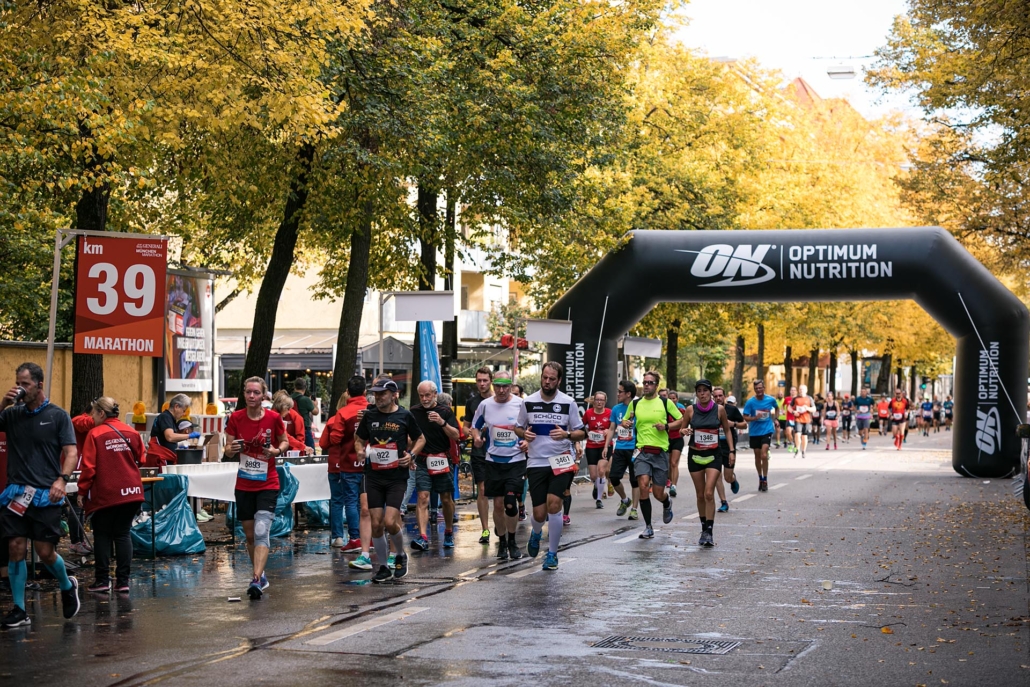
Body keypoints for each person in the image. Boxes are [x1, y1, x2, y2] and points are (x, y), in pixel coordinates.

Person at [0, 362, 81, 628]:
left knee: (45, 552)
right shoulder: (12, 414)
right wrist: (3, 403)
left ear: (39, 385)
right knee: (15, 548)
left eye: (25, 384)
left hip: (47, 494)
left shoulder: (57, 415)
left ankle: (67, 585)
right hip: (16, 493)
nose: (20, 388)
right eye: (18, 383)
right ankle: (20, 609)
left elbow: (71, 452)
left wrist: (62, 480)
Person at [222, 376, 290, 599]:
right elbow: (227, 449)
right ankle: (261, 576)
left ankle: (255, 578)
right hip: (244, 484)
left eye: (256, 392)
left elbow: (285, 441)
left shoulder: (273, 418)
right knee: (250, 535)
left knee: (261, 531)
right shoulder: (236, 418)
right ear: (244, 394)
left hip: (268, 482)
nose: (252, 396)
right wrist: (232, 449)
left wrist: (276, 451)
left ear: (263, 395)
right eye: (248, 392)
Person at [354, 379, 424, 582]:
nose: (378, 397)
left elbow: (421, 438)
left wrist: (411, 455)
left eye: (382, 393)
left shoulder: (404, 415)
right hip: (374, 476)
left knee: (390, 521)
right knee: (376, 524)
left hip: (396, 477)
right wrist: (359, 450)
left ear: (394, 395)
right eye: (375, 394)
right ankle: (383, 567)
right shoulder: (370, 415)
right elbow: (359, 439)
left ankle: (400, 554)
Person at [518, 362, 585, 570]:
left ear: (559, 381)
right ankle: (536, 532)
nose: (547, 382)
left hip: (561, 460)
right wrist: (524, 434)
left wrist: (566, 434)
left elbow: (582, 432)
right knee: (539, 514)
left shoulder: (568, 402)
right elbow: (518, 427)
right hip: (536, 461)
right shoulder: (528, 402)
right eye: (545, 377)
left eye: (552, 379)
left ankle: (552, 554)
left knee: (555, 504)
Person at [77, 397, 145, 594]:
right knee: (123, 534)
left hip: (106, 493)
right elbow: (141, 458)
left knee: (102, 535)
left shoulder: (95, 434)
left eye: (93, 415)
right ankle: (123, 582)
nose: (92, 419)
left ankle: (102, 580)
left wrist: (82, 491)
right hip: (132, 491)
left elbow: (89, 468)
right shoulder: (131, 432)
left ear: (101, 413)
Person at [470, 374, 527, 561]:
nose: (501, 390)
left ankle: (512, 541)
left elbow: (531, 427)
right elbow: (475, 426)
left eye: (505, 386)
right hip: (493, 461)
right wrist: (476, 438)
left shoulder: (521, 404)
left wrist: (527, 441)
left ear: (511, 386)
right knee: (499, 504)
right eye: (498, 386)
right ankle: (502, 541)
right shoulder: (485, 405)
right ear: (493, 386)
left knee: (510, 502)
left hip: (516, 460)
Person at [621, 370, 681, 540]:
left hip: (660, 452)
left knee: (658, 493)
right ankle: (648, 527)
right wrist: (625, 423)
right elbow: (625, 420)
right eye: (644, 382)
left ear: (656, 385)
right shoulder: (635, 404)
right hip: (641, 451)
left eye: (650, 383)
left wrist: (666, 427)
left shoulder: (665, 402)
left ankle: (666, 502)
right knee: (643, 486)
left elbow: (680, 420)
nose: (646, 385)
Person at [681, 379, 735, 547]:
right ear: (696, 393)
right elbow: (682, 429)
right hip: (695, 455)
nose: (702, 393)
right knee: (700, 494)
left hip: (713, 455)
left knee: (709, 493)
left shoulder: (719, 410)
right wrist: (685, 430)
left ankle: (709, 531)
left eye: (705, 390)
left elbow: (727, 430)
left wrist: (731, 451)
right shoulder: (690, 410)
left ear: (710, 392)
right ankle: (703, 527)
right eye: (699, 391)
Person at [409, 381, 460, 551]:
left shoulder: (445, 411)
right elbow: (409, 436)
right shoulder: (414, 411)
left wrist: (441, 422)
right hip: (422, 460)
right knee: (423, 497)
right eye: (421, 396)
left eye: (427, 395)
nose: (424, 399)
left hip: (442, 459)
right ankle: (423, 537)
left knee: (445, 498)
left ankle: (448, 531)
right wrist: (410, 453)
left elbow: (456, 435)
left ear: (435, 394)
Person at [323, 377, 367, 553]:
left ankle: (353, 538)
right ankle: (369, 537)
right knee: (367, 502)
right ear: (365, 391)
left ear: (348, 392)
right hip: (369, 464)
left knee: (347, 501)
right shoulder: (372, 410)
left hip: (348, 463)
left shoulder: (342, 414)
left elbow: (334, 439)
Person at [463, 367, 494, 545]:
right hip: (479, 452)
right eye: (479, 381)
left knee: (501, 493)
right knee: (482, 490)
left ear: (491, 381)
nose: (481, 384)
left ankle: (502, 526)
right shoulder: (472, 402)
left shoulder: (499, 399)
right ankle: (485, 529)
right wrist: (474, 434)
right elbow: (465, 427)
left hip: (499, 452)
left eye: (485, 380)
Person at [605, 380, 639, 520]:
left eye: (620, 391)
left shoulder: (638, 408)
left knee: (634, 480)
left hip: (635, 448)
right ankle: (625, 500)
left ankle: (634, 509)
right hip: (620, 447)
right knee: (613, 477)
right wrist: (606, 446)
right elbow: (612, 428)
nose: (618, 394)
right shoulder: (616, 409)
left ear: (628, 394)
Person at [743, 379, 779, 492]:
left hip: (767, 430)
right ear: (754, 389)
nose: (759, 390)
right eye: (756, 388)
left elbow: (777, 407)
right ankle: (760, 478)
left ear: (764, 388)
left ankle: (765, 479)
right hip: (755, 432)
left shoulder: (770, 399)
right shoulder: (750, 402)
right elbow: (745, 416)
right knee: (757, 456)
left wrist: (776, 419)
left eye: (760, 388)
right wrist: (754, 418)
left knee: (764, 454)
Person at [68, 406, 95, 555]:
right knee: (75, 506)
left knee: (81, 507)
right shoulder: (79, 420)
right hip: (75, 468)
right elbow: (82, 423)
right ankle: (75, 542)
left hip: (81, 466)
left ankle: (80, 540)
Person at [714, 391, 745, 511]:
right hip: (715, 446)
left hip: (728, 446)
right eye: (715, 396)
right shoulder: (710, 410)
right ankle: (724, 502)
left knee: (727, 477)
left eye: (720, 396)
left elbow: (744, 425)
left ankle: (732, 479)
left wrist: (733, 424)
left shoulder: (732, 410)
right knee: (717, 475)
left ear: (724, 397)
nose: (718, 398)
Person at [147, 393, 198, 467]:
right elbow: (170, 437)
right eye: (183, 410)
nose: (184, 414)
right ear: (176, 407)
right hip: (160, 459)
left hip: (165, 458)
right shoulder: (165, 417)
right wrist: (189, 436)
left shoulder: (170, 419)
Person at [582, 391, 611, 510]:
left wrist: (608, 430)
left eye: (602, 400)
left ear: (605, 401)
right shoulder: (588, 413)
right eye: (597, 400)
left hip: (605, 445)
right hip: (591, 446)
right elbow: (581, 426)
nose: (599, 402)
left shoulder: (610, 412)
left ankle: (599, 499)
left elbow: (615, 427)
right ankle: (596, 485)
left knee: (601, 470)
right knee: (594, 476)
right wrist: (587, 432)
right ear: (594, 401)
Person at [273, 391, 311, 456]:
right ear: (283, 407)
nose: (289, 412)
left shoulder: (275, 416)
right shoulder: (275, 417)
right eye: (288, 409)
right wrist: (302, 447)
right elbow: (286, 437)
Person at [666, 390, 686, 498]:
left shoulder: (681, 411)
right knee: (669, 464)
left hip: (678, 438)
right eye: (670, 398)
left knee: (674, 463)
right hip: (666, 439)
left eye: (674, 398)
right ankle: (670, 481)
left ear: (677, 399)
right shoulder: (664, 411)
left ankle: (674, 486)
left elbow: (686, 422)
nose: (672, 400)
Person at [290, 378, 317, 450]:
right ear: (305, 388)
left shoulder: (289, 398)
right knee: (310, 451)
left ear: (294, 387)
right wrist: (315, 404)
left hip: (291, 428)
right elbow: (315, 412)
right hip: (305, 429)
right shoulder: (306, 399)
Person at [791, 385, 814, 459]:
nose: (801, 391)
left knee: (804, 436)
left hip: (807, 420)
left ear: (806, 390)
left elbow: (814, 409)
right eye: (800, 389)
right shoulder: (795, 398)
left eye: (802, 389)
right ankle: (797, 450)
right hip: (798, 419)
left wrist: (807, 408)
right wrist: (793, 412)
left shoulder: (809, 398)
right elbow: (789, 407)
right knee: (797, 434)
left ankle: (803, 451)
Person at [784, 386, 797, 453]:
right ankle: (791, 443)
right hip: (789, 418)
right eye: (792, 390)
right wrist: (783, 411)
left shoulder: (798, 399)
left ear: (796, 391)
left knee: (795, 433)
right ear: (790, 391)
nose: (793, 391)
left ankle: (795, 445)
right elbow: (783, 406)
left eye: (794, 390)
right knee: (788, 432)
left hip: (796, 418)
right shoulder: (787, 398)